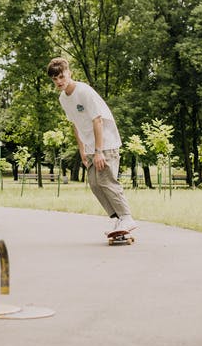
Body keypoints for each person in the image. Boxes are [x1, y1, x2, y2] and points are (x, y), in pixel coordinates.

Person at [47, 57, 137, 236]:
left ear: (69, 73)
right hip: (89, 146)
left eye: (61, 77)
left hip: (105, 143)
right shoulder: (63, 99)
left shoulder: (84, 92)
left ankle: (127, 217)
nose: (59, 81)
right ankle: (119, 219)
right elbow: (75, 124)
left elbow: (98, 120)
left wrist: (99, 151)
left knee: (106, 180)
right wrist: (82, 150)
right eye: (55, 79)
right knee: (95, 184)